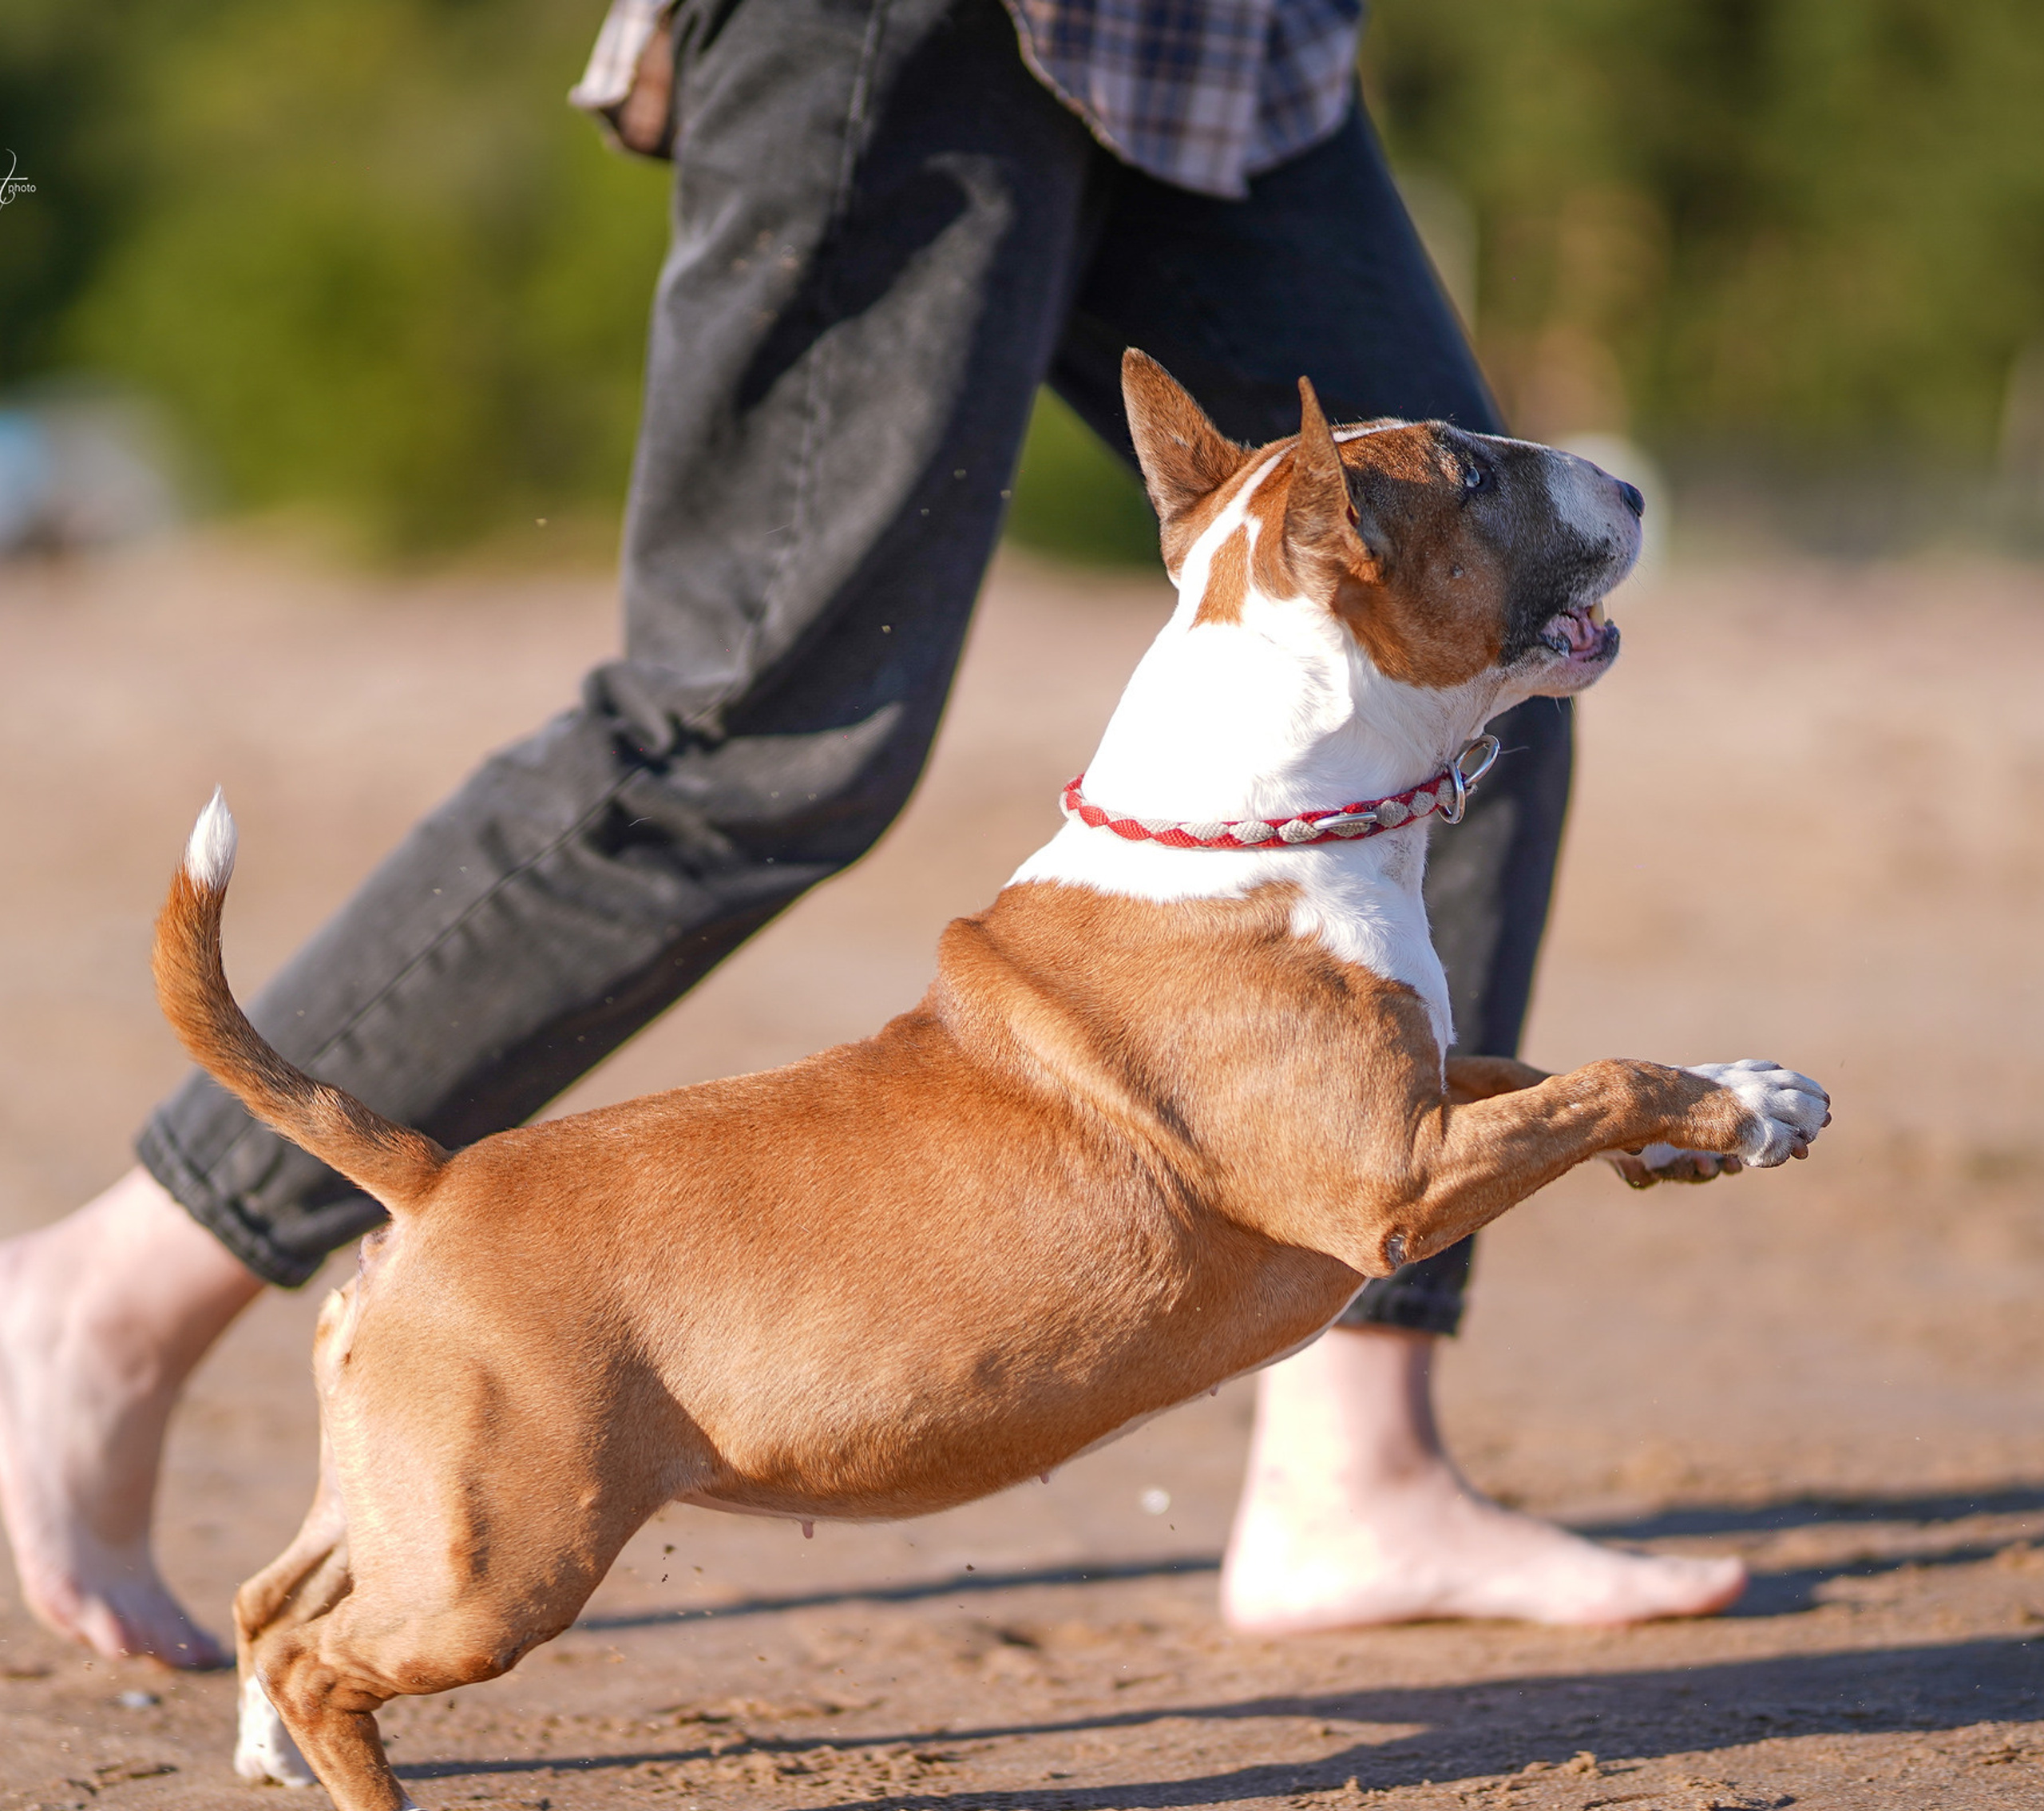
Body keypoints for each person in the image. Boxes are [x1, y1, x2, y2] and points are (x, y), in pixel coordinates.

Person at [0, 0, 1746, 1668]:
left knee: (1472, 654)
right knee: (758, 731)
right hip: (895, 36)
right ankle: (114, 1288)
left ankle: (1348, 1463)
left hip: (1231, 49)